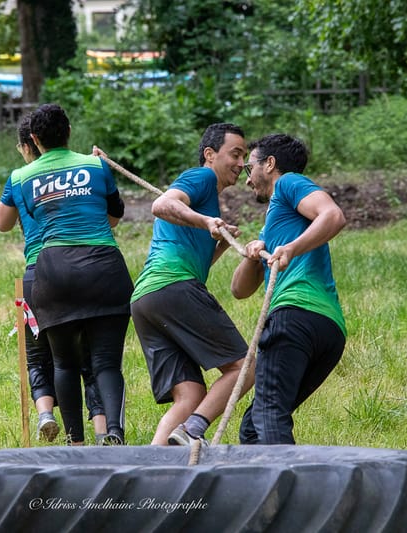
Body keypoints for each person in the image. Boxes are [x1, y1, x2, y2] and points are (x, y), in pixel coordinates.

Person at [12, 103, 133, 446]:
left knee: (64, 364)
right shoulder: (96, 165)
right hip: (105, 268)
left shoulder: (21, 178)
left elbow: (33, 214)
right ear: (69, 131)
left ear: (34, 139)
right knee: (106, 362)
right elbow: (114, 215)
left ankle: (75, 442)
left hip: (55, 271)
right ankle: (113, 433)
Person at [129, 122, 254, 446]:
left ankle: (150, 472)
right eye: (235, 154)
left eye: (244, 156)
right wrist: (205, 221)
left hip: (147, 298)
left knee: (189, 394)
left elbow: (195, 264)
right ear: (210, 155)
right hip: (173, 287)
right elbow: (161, 205)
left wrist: (219, 244)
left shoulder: (207, 197)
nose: (241, 164)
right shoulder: (203, 177)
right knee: (245, 367)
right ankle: (192, 429)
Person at [0, 114, 108, 445]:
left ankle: (45, 412)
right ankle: (102, 429)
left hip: (39, 274)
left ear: (26, 145)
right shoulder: (84, 170)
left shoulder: (21, 178)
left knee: (39, 355)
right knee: (87, 359)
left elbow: (2, 224)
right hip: (88, 269)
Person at [231, 133, 347, 445]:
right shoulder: (276, 221)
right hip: (328, 330)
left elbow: (333, 216)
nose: (246, 181)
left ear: (270, 164)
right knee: (255, 426)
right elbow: (239, 291)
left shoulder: (288, 183)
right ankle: (269, 489)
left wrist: (292, 248)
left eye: (249, 169)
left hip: (294, 318)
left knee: (268, 414)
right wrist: (253, 255)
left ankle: (286, 492)